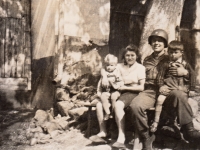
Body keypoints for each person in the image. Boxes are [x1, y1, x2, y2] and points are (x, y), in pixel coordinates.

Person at [129, 29, 200, 150]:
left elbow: (188, 71)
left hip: (169, 90)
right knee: (135, 106)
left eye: (159, 41)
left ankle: (189, 130)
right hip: (150, 91)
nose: (156, 43)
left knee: (180, 95)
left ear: (165, 44)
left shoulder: (172, 56)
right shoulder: (146, 60)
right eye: (154, 41)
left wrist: (185, 73)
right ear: (150, 43)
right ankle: (146, 136)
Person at [90, 44, 146, 149]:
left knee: (118, 105)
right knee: (98, 104)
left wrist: (125, 87)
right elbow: (104, 67)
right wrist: (105, 76)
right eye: (127, 55)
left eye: (132, 55)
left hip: (132, 92)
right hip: (116, 91)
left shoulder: (140, 68)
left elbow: (141, 87)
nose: (129, 58)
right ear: (124, 56)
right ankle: (103, 132)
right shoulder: (120, 66)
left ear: (137, 56)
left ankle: (121, 137)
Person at [150, 40, 196, 132]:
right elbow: (160, 76)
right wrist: (161, 86)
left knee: (191, 102)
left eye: (175, 52)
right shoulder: (166, 64)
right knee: (159, 100)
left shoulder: (185, 64)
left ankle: (188, 125)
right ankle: (155, 122)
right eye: (171, 52)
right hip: (168, 89)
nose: (173, 55)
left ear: (181, 53)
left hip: (181, 88)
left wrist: (192, 89)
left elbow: (193, 75)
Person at [97, 54, 123, 120]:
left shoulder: (117, 73)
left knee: (113, 97)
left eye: (111, 65)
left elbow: (120, 82)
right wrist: (99, 91)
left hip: (115, 90)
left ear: (115, 66)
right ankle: (107, 112)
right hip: (106, 90)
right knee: (103, 97)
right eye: (107, 65)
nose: (109, 67)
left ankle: (113, 112)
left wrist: (116, 85)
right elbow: (100, 83)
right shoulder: (104, 73)